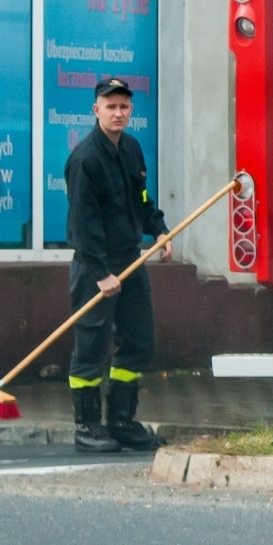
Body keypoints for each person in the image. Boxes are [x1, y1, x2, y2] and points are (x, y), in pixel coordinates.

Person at [63, 77, 169, 453]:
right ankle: (87, 426)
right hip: (97, 267)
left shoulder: (132, 149)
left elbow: (141, 199)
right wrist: (99, 274)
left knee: (139, 340)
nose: (118, 112)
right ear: (96, 110)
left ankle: (121, 421)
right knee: (91, 346)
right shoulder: (84, 159)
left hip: (129, 261)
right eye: (111, 106)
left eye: (124, 106)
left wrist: (158, 230)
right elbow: (82, 224)